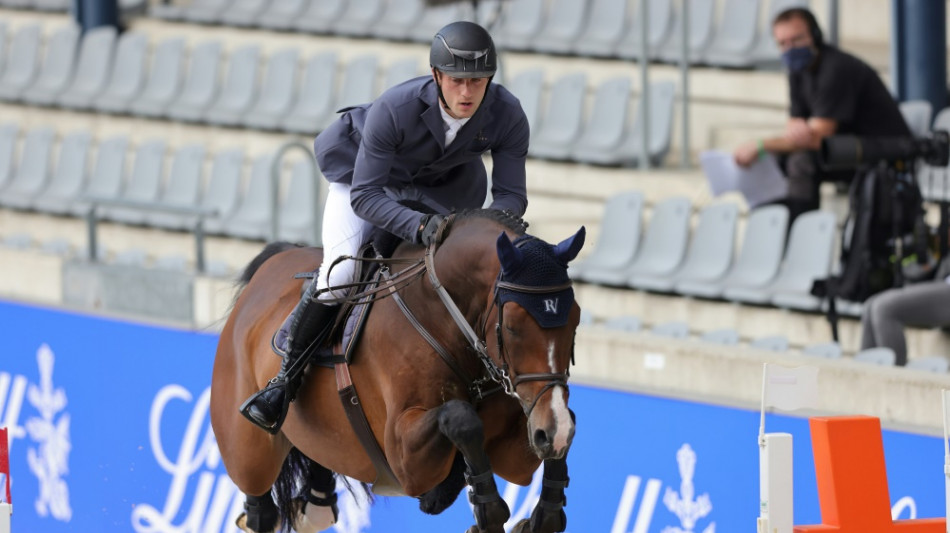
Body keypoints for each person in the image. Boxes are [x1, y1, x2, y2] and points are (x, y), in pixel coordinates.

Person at [240, 21, 530, 433]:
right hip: (365, 178)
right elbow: (366, 197)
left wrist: (483, 233)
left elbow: (511, 199)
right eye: (457, 81)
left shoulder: (507, 114)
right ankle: (284, 381)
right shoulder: (396, 108)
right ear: (436, 77)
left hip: (443, 187)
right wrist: (419, 226)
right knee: (341, 274)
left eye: (478, 81)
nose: (467, 93)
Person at [733, 7, 911, 221]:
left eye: (797, 39)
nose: (790, 49)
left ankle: (801, 233)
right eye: (782, 43)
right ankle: (771, 228)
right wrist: (786, 138)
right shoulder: (797, 70)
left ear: (815, 35)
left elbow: (817, 139)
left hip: (882, 151)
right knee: (775, 159)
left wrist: (760, 145)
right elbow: (795, 126)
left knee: (801, 161)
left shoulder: (835, 69)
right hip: (842, 149)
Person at [860, 257, 950, 366]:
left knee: (884, 308)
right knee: (870, 305)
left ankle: (894, 377)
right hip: (943, 279)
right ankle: (865, 377)